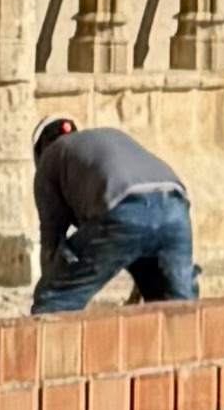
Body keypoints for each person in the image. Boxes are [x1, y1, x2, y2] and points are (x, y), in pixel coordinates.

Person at [30, 114, 197, 309]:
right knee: (179, 309)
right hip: (176, 208)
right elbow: (148, 214)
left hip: (123, 210)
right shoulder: (106, 138)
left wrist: (54, 283)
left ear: (40, 150)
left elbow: (51, 245)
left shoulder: (50, 159)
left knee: (55, 298)